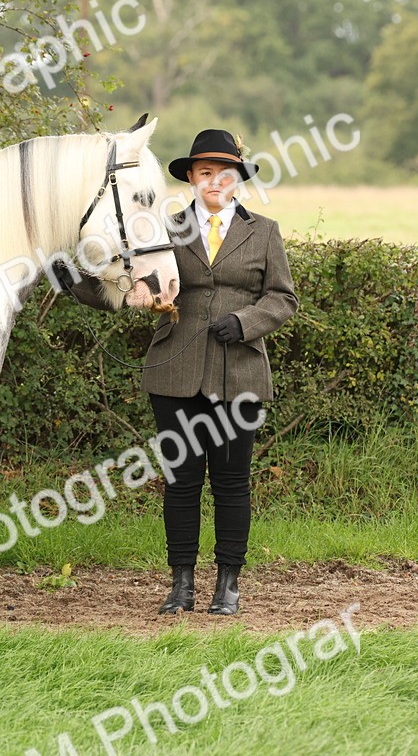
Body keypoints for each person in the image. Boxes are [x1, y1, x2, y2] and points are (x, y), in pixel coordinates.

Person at [56, 128, 298, 615]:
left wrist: (245, 322)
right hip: (174, 371)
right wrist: (76, 285)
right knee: (181, 480)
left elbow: (283, 298)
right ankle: (181, 584)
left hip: (240, 374)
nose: (214, 181)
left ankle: (227, 584)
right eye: (205, 172)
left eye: (223, 173)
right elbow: (130, 283)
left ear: (237, 179)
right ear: (190, 178)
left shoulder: (264, 231)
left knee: (232, 481)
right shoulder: (161, 229)